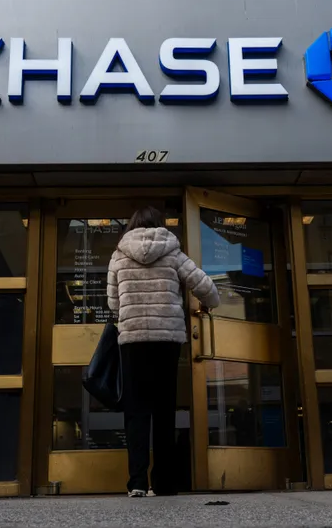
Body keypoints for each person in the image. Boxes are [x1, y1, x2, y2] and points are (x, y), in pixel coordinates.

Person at [107, 206, 219, 497]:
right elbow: (204, 285)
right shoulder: (172, 252)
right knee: (164, 410)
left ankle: (137, 483)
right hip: (166, 340)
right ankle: (164, 483)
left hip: (133, 341)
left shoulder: (119, 255)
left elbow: (112, 303)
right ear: (160, 225)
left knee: (136, 412)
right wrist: (210, 303)